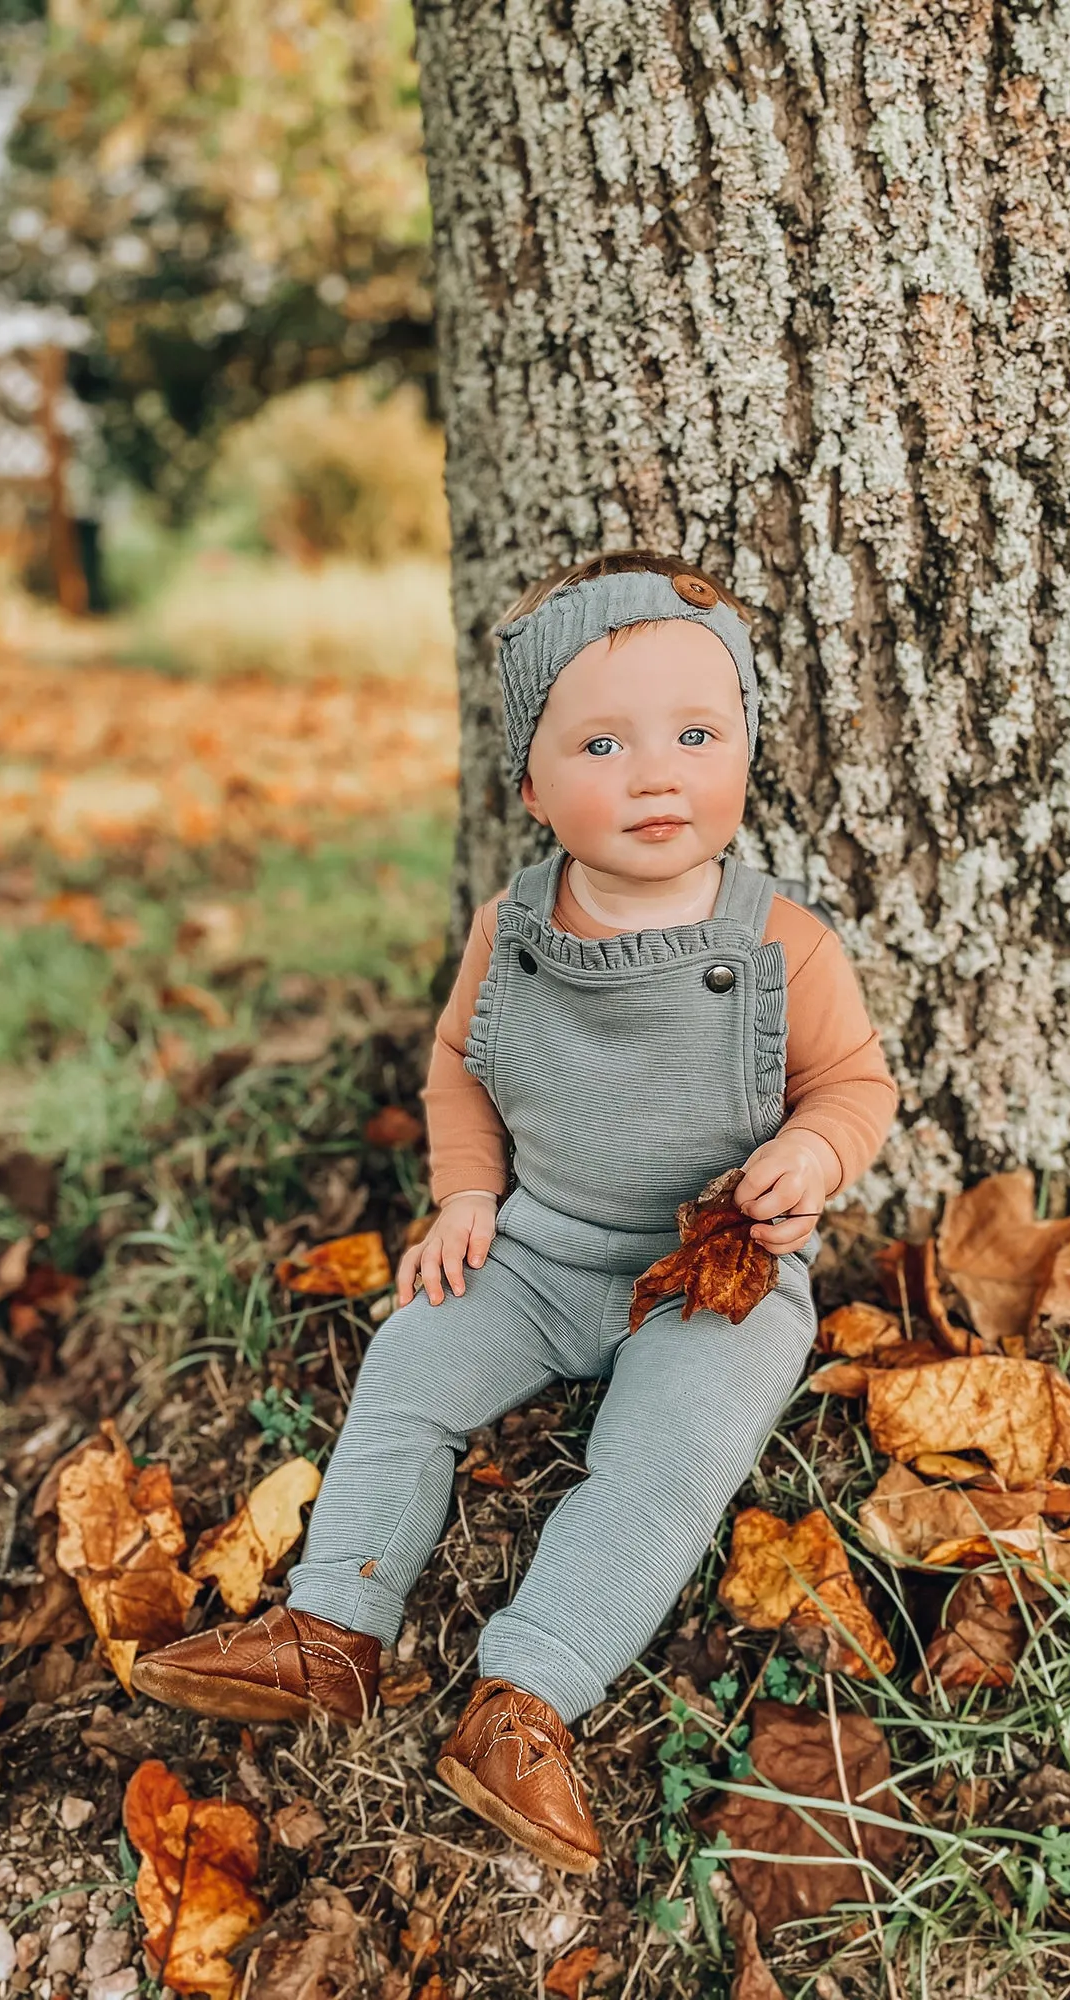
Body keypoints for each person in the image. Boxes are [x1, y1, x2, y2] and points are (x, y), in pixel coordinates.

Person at [131, 549, 898, 1874]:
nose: (657, 772)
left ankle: (526, 1698)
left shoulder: (784, 945)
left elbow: (855, 1083)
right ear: (532, 785)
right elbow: (458, 1069)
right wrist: (466, 1197)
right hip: (541, 1245)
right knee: (413, 1363)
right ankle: (336, 1626)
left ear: (746, 754)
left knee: (666, 1462)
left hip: (714, 1273)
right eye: (603, 742)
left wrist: (817, 1157)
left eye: (697, 735)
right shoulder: (513, 929)